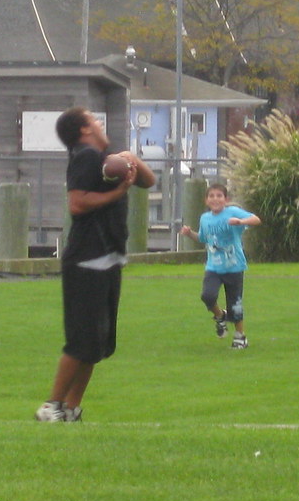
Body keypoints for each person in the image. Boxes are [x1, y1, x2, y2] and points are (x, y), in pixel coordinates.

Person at [35, 107, 155, 422]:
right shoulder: (85, 157)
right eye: (95, 119)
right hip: (87, 260)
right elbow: (77, 203)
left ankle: (71, 408)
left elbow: (149, 180)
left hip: (107, 259)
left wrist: (130, 159)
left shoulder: (102, 158)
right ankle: (51, 406)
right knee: (81, 340)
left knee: (97, 343)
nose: (101, 122)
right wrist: (118, 191)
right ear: (85, 129)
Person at [180, 183, 261, 349]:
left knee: (235, 303)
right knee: (207, 296)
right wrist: (189, 234)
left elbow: (256, 220)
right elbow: (203, 238)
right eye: (211, 196)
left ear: (226, 199)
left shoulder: (232, 213)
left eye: (219, 196)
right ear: (206, 200)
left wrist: (240, 221)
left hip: (234, 266)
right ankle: (220, 316)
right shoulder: (205, 218)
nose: (215, 199)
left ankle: (240, 336)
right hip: (213, 267)